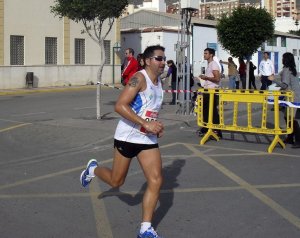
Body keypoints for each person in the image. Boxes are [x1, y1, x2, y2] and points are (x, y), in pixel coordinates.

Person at [80, 45, 166, 238]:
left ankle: (145, 228)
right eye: (159, 59)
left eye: (164, 59)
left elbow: (149, 109)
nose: (163, 62)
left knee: (156, 180)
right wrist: (146, 123)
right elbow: (120, 105)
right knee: (116, 181)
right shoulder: (139, 78)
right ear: (148, 60)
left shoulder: (159, 81)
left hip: (147, 139)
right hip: (127, 136)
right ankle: (92, 170)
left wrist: (156, 126)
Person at [269, 52, 300, 148]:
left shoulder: (287, 70)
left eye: (283, 58)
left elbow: (285, 85)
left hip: (292, 97)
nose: (281, 59)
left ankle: (298, 140)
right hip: (293, 96)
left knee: (292, 119)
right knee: (288, 117)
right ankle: (290, 137)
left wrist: (273, 79)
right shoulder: (292, 69)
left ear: (285, 60)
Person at [199, 48, 222, 138]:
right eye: (204, 53)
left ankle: (217, 131)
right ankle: (206, 129)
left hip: (212, 92)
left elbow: (217, 79)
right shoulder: (209, 64)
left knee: (213, 112)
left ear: (211, 55)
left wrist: (206, 78)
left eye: (206, 53)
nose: (204, 55)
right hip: (207, 90)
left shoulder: (214, 65)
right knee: (206, 111)